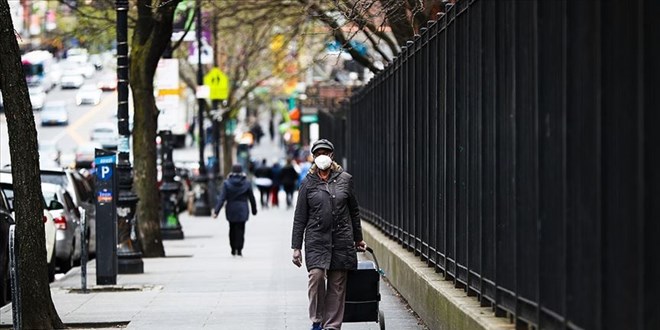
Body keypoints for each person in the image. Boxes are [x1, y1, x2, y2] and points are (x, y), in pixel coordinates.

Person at [291, 139, 367, 330]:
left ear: (332, 155)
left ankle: (332, 326)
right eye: (318, 153)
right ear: (314, 157)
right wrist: (296, 247)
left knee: (337, 286)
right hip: (316, 240)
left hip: (341, 240)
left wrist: (358, 239)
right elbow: (300, 216)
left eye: (325, 152)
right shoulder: (307, 183)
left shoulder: (345, 179)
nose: (322, 156)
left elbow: (354, 212)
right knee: (316, 277)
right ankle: (317, 320)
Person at [212, 164, 257, 256]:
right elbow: (251, 198)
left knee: (232, 228)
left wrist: (216, 211)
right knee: (241, 228)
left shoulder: (226, 183)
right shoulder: (247, 183)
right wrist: (254, 210)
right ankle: (239, 249)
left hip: (231, 208)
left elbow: (222, 198)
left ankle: (233, 248)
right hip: (243, 208)